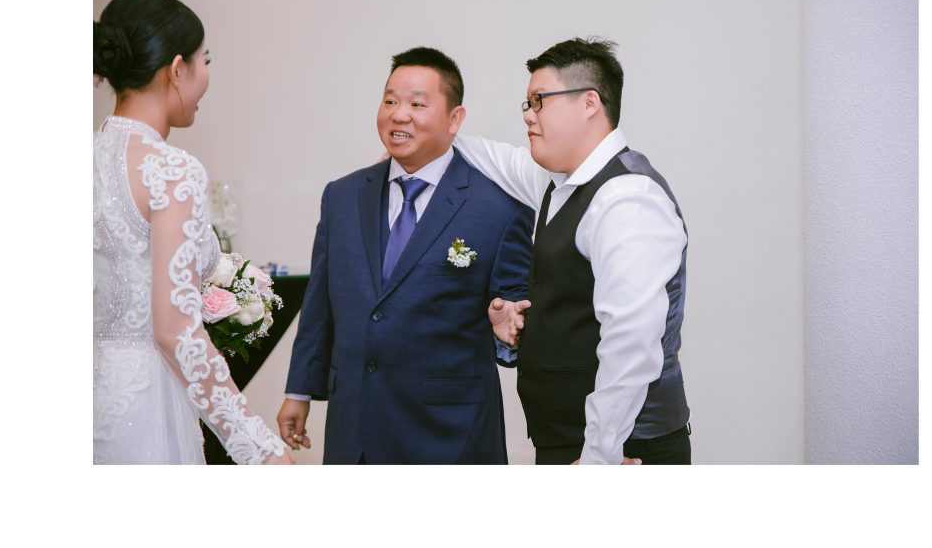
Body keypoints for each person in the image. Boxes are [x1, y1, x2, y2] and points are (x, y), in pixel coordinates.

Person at [277, 48, 531, 463]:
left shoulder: (499, 207)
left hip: (450, 435)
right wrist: (299, 390)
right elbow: (321, 301)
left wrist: (513, 325)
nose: (398, 115)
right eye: (390, 100)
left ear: (455, 119)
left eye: (416, 104)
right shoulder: (342, 196)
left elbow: (515, 304)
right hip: (355, 427)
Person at [447, 39, 692, 464]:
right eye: (527, 104)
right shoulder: (556, 183)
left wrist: (599, 456)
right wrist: (428, 131)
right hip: (567, 440)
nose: (528, 115)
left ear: (589, 103)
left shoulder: (627, 198)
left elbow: (631, 342)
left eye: (539, 100)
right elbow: (495, 159)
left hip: (623, 450)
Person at [92, 0, 291, 465]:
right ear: (177, 69)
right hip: (146, 406)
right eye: (206, 61)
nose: (207, 76)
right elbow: (175, 331)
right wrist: (257, 446)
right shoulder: (171, 170)